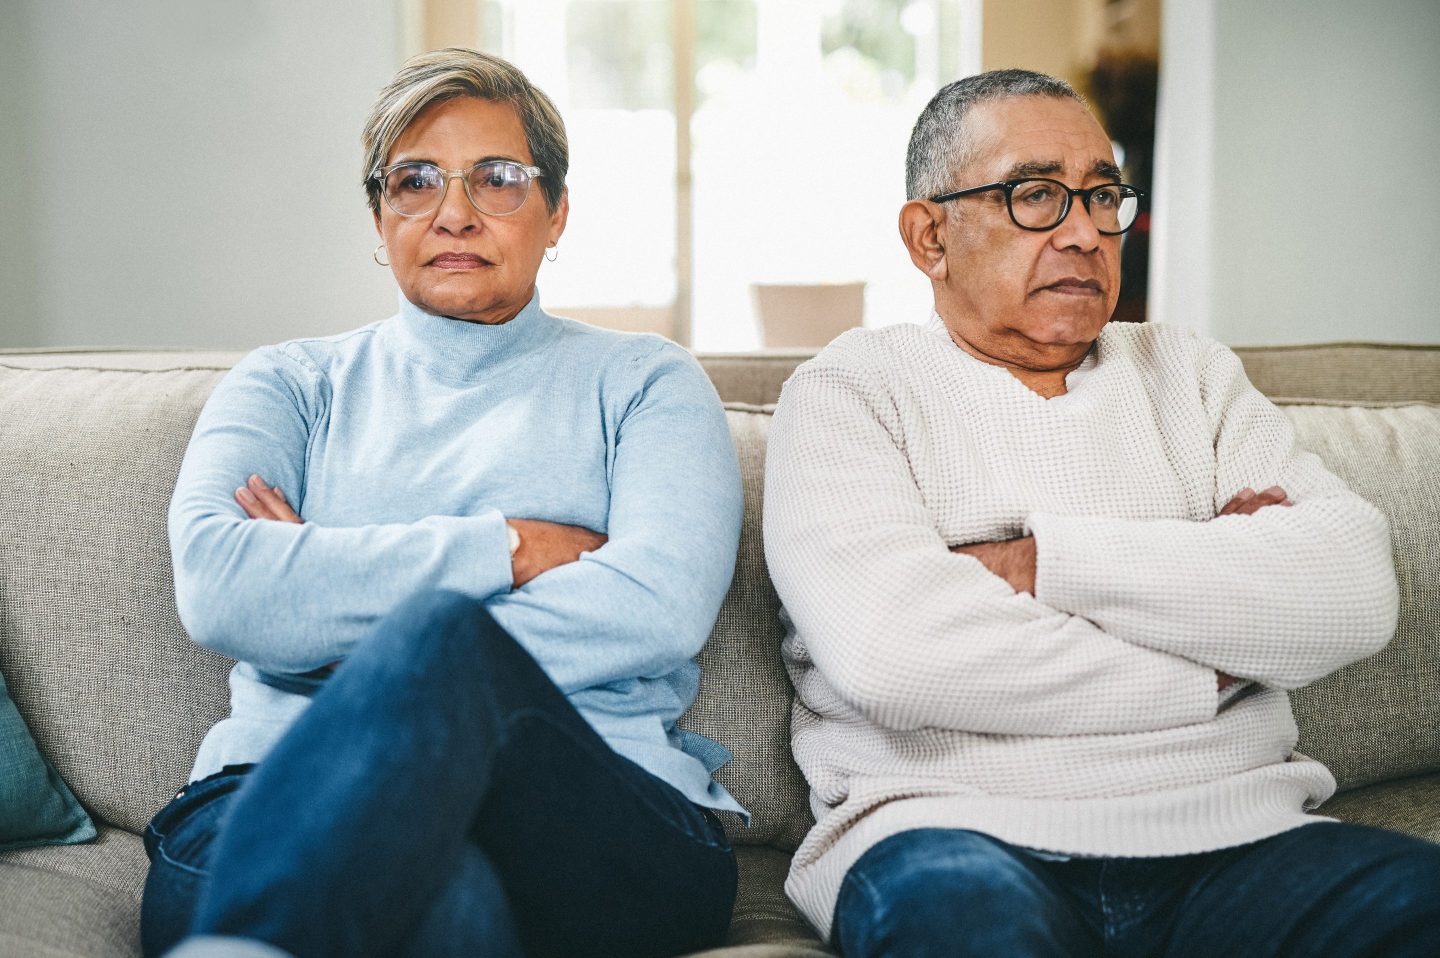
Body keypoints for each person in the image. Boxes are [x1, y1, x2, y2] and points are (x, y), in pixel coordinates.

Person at [762, 68, 1440, 957]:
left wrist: (1042, 562)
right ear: (930, 235)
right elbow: (895, 656)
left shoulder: (1189, 372)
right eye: (1037, 195)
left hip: (1241, 833)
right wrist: (1212, 663)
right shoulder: (851, 391)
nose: (1085, 233)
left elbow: (1353, 590)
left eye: (1103, 196)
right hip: (947, 836)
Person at [142, 48, 744, 958]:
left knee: (440, 641)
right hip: (277, 790)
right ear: (379, 219)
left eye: (498, 179)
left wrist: (350, 610)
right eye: (415, 180)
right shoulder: (288, 385)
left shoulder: (645, 382)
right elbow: (224, 589)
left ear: (558, 214)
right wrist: (506, 546)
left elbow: (656, 606)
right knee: (443, 903)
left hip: (590, 805)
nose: (453, 212)